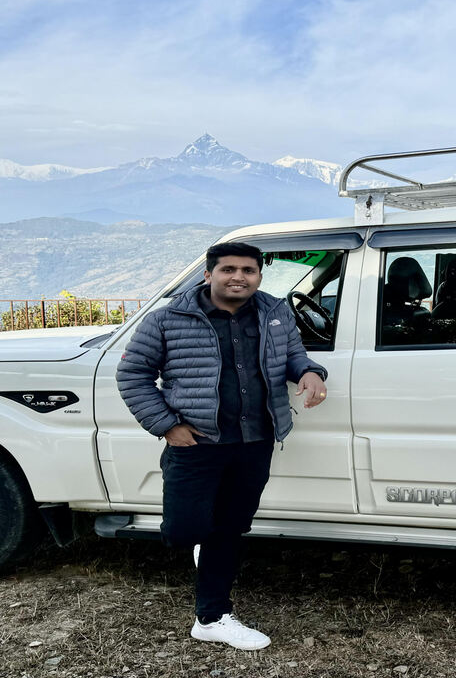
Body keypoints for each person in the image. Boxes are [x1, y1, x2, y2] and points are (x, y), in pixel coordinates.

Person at [116, 241, 328, 650]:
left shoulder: (274, 312)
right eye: (228, 269)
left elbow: (294, 356)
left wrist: (310, 373)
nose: (238, 277)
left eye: (248, 270)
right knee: (184, 531)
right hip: (196, 442)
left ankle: (211, 617)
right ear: (208, 274)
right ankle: (203, 543)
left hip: (255, 440)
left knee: (230, 528)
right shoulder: (167, 319)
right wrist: (167, 426)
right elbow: (133, 376)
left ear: (259, 276)